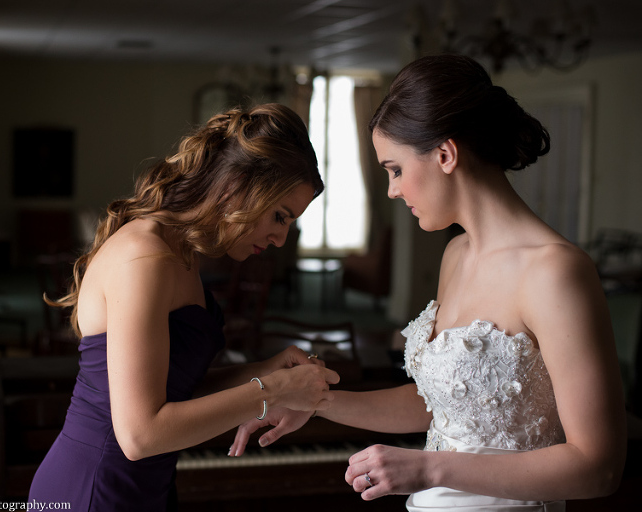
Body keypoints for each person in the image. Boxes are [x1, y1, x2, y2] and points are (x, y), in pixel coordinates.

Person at [229, 55, 627, 511]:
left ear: (445, 154)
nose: (392, 191)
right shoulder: (456, 255)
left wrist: (429, 468)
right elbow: (443, 401)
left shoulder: (556, 272)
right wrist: (317, 403)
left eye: (395, 169)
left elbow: (599, 467)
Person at [28, 103, 340, 511]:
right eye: (280, 216)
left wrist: (263, 371)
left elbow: (172, 391)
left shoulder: (179, 253)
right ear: (239, 185)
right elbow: (140, 436)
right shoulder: (144, 254)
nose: (281, 238)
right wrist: (275, 390)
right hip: (95, 488)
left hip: (142, 487)